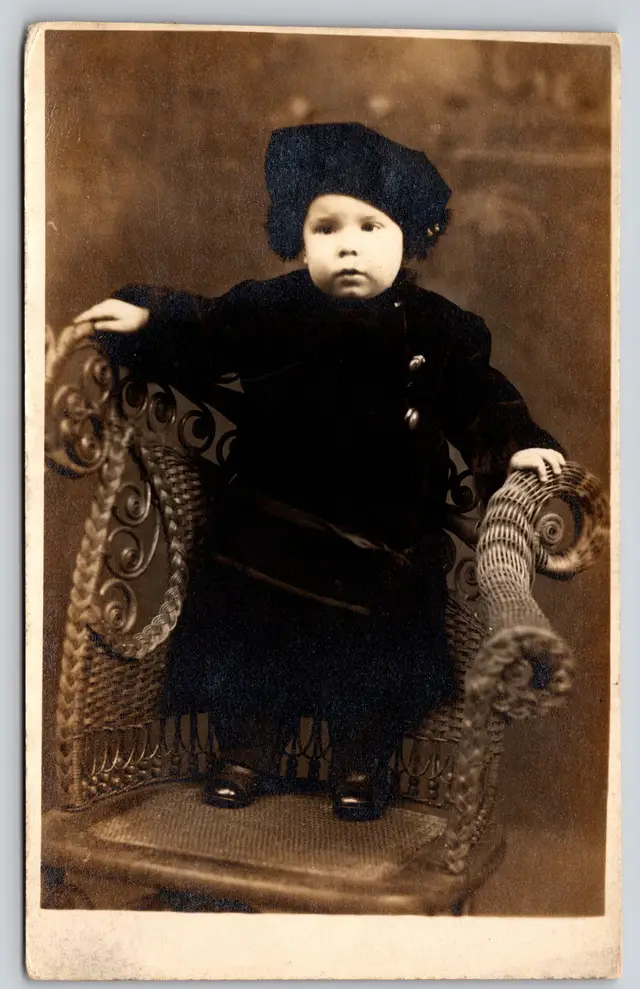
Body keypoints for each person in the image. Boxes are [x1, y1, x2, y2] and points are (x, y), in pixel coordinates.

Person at [75, 122, 566, 822]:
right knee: (250, 648)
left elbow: (480, 398)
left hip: (383, 550)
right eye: (325, 227)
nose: (348, 243)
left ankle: (363, 764)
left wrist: (517, 443)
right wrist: (147, 319)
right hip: (268, 537)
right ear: (298, 239)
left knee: (376, 666)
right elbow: (206, 329)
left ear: (410, 239)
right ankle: (244, 753)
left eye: (371, 226)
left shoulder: (438, 329)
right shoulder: (275, 309)